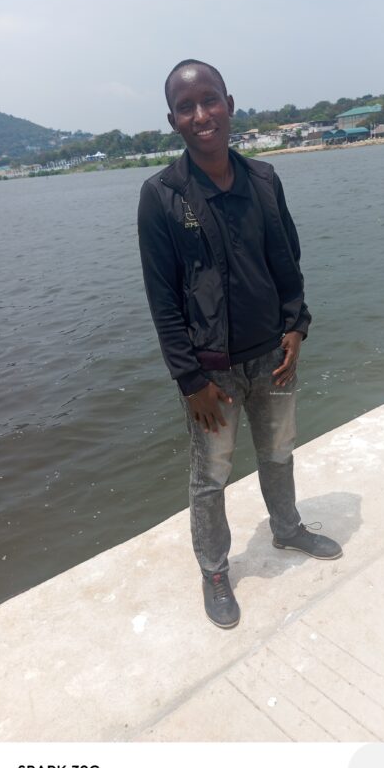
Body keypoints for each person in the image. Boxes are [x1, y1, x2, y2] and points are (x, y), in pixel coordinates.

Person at [138, 59, 342, 629]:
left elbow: (287, 261)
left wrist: (297, 327)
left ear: (229, 104)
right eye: (186, 107)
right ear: (173, 121)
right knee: (210, 476)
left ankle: (288, 528)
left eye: (210, 100)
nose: (201, 114)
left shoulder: (264, 180)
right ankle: (214, 569)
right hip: (213, 374)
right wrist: (190, 380)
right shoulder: (161, 196)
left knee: (279, 452)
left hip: (273, 357)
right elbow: (163, 300)